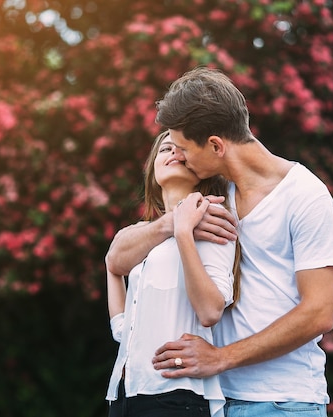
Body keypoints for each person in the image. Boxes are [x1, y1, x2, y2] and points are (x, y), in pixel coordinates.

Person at [105, 67, 333, 417]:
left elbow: (319, 313)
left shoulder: (306, 197)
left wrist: (220, 358)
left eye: (184, 148)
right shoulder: (216, 196)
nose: (180, 157)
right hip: (215, 401)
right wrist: (174, 224)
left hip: (283, 401)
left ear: (216, 145)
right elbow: (120, 254)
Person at [105, 130, 240, 417]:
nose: (173, 154)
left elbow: (209, 310)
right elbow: (115, 264)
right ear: (153, 168)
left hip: (176, 395)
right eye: (166, 149)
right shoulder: (143, 233)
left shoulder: (213, 222)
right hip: (124, 395)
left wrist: (183, 233)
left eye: (182, 149)